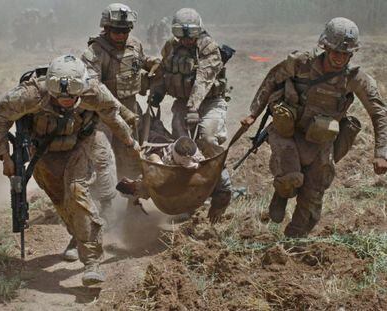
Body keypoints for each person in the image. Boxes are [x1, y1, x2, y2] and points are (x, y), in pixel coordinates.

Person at [0, 54, 139, 286]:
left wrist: (130, 144)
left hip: (80, 144)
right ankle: (78, 236)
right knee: (61, 200)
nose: (66, 100)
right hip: (44, 152)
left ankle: (92, 263)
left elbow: (113, 116)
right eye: (59, 95)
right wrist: (4, 156)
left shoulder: (93, 91)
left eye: (72, 94)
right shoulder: (30, 94)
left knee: (77, 192)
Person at [240, 17, 387, 238]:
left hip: (320, 140)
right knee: (290, 178)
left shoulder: (355, 78)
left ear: (352, 54)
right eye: (335, 51)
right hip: (287, 133)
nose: (339, 58)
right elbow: (272, 79)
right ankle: (281, 193)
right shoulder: (300, 63)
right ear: (325, 47)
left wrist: (381, 152)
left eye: (345, 54)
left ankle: (294, 242)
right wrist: (253, 113)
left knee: (313, 194)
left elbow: (379, 112)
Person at [149, 8, 232, 224]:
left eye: (190, 34)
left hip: (210, 103)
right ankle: (188, 200)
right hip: (183, 104)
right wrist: (156, 92)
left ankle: (222, 187)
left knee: (206, 138)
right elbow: (162, 71)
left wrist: (194, 108)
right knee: (182, 147)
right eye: (181, 34)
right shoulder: (171, 46)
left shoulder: (209, 48)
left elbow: (204, 79)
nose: (185, 39)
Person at [81, 3, 161, 210]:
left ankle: (132, 204)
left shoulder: (134, 44)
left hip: (131, 109)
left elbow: (140, 61)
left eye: (125, 30)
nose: (121, 35)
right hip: (102, 115)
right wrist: (122, 110)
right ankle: (104, 207)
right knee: (102, 158)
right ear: (106, 28)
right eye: (116, 30)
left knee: (132, 159)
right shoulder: (95, 52)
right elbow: (94, 87)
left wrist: (154, 63)